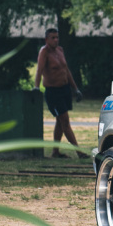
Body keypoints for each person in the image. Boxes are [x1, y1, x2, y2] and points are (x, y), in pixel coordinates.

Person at [34, 28, 82, 158]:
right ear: (47, 39)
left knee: (60, 122)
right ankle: (79, 151)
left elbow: (66, 71)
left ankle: (55, 152)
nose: (56, 40)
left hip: (64, 89)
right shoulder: (44, 52)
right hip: (53, 92)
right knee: (65, 121)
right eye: (53, 38)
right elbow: (39, 70)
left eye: (57, 37)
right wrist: (36, 87)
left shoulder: (60, 50)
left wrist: (75, 88)